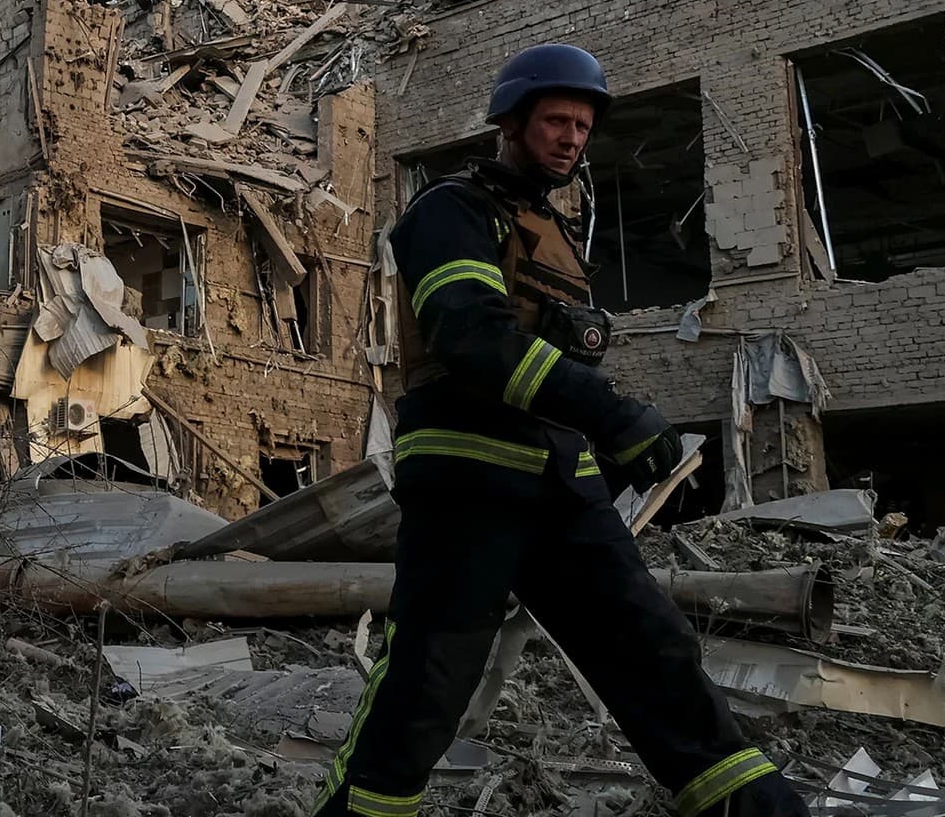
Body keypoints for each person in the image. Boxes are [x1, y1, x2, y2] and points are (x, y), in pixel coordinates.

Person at [311, 44, 807, 817]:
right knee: (431, 677)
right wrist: (613, 414)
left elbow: (552, 357)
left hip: (555, 473)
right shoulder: (450, 211)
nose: (572, 138)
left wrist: (608, 439)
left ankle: (752, 807)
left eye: (582, 125)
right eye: (556, 121)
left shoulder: (548, 229)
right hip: (470, 472)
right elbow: (475, 341)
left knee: (652, 645)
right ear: (511, 123)